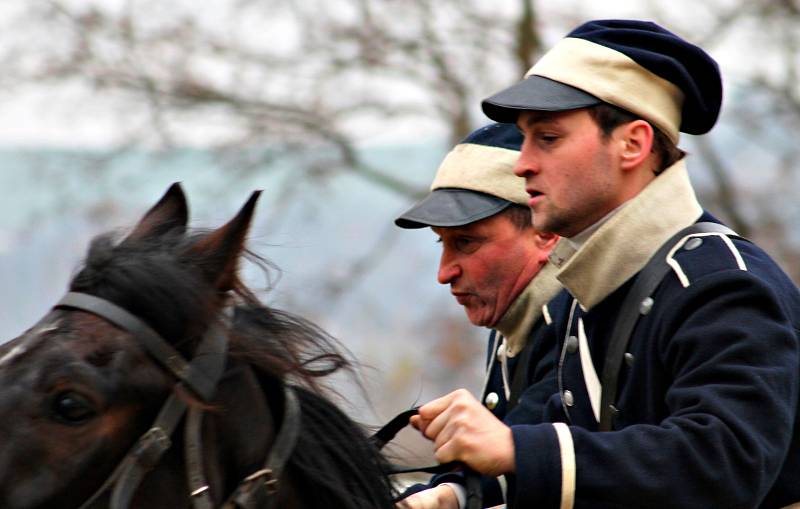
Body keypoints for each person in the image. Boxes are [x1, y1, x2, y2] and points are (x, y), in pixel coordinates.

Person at [410, 19, 800, 509]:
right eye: (525, 140)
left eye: (547, 138)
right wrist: (456, 495)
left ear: (632, 144)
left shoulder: (723, 280)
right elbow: (576, 454)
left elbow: (723, 464)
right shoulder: (595, 291)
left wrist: (514, 448)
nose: (521, 163)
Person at [395, 122, 562, 509]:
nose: (444, 272)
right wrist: (445, 494)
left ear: (544, 232)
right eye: (443, 242)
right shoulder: (513, 324)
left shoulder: (571, 322)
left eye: (465, 242)